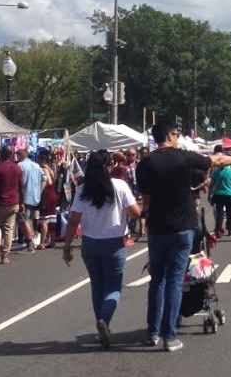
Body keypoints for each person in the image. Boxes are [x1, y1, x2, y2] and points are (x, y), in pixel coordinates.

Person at [136, 123, 231, 351]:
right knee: (175, 280)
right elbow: (217, 161)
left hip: (157, 228)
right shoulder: (183, 157)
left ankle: (153, 333)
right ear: (170, 135)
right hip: (182, 226)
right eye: (176, 134)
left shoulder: (145, 163)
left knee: (157, 281)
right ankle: (169, 336)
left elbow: (146, 196)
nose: (178, 138)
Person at [63, 149, 142, 349]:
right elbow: (135, 213)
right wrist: (141, 204)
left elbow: (73, 221)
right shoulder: (120, 186)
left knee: (97, 285)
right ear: (108, 166)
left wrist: (67, 246)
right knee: (113, 286)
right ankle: (104, 321)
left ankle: (101, 324)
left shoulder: (83, 190)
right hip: (114, 242)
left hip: (90, 243)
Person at [0, 145, 23, 264]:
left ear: (1, 154)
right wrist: (22, 202)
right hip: (13, 202)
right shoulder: (17, 168)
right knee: (9, 229)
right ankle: (5, 255)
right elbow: (21, 186)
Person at [17, 149, 46, 253]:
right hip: (35, 197)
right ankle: (30, 242)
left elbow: (20, 181)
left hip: (25, 196)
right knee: (31, 220)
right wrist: (40, 191)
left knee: (24, 221)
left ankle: (30, 244)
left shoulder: (20, 165)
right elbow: (45, 179)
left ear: (19, 156)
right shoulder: (37, 166)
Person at [209, 144, 231, 237]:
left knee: (219, 213)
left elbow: (211, 185)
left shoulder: (215, 171)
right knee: (229, 213)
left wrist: (209, 195)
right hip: (230, 194)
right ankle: (230, 230)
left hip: (218, 194)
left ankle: (218, 231)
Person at [37, 152, 60, 249]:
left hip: (47, 195)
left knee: (44, 219)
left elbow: (49, 181)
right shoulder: (51, 169)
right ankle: (52, 241)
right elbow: (54, 178)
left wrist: (41, 189)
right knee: (52, 219)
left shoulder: (44, 169)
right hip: (53, 195)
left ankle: (42, 242)